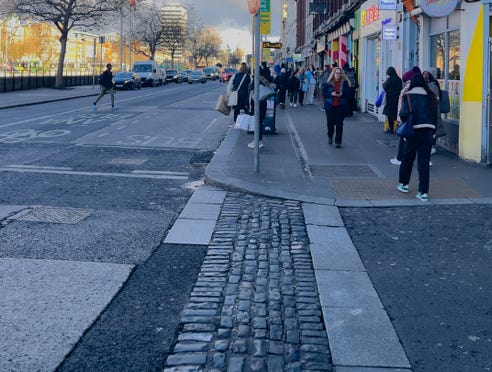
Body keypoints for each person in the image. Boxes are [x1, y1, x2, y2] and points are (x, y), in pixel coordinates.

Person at [396, 74, 438, 201]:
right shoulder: (431, 96)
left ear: (412, 82)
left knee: (407, 158)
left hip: (413, 132)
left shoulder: (408, 95)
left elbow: (403, 114)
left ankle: (403, 184)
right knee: (424, 162)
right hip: (428, 132)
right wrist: (433, 132)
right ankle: (423, 192)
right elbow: (435, 116)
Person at [390, 66, 421, 165]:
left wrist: (400, 117)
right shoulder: (421, 89)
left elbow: (403, 105)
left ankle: (400, 158)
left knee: (404, 137)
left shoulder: (407, 89)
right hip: (416, 118)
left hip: (406, 117)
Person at [322, 66, 351, 148]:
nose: (338, 74)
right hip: (330, 106)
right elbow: (324, 94)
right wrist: (331, 94)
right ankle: (330, 136)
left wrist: (342, 94)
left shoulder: (345, 83)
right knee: (330, 124)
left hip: (340, 106)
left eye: (339, 73)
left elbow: (349, 95)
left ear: (342, 74)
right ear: (333, 74)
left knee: (339, 124)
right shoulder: (328, 83)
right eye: (336, 73)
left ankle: (338, 142)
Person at [247, 76, 274, 149]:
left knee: (257, 124)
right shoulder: (264, 83)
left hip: (256, 108)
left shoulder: (255, 86)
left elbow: (251, 98)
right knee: (260, 123)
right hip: (263, 107)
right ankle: (259, 141)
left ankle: (257, 141)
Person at [423, 68, 444, 155]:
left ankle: (432, 146)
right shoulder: (425, 84)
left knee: (433, 127)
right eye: (424, 73)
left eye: (427, 74)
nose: (425, 76)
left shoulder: (434, 85)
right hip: (426, 110)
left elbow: (437, 99)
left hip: (433, 110)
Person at [382, 66, 403, 133]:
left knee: (390, 114)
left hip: (390, 98)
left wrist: (383, 83)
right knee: (396, 113)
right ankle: (396, 127)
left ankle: (391, 128)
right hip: (398, 98)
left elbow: (385, 88)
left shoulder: (389, 79)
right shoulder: (399, 79)